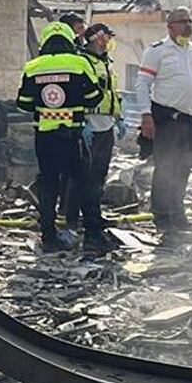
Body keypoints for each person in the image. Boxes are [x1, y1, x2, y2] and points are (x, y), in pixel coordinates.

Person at [18, 21, 108, 254]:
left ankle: (48, 235)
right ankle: (93, 235)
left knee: (49, 184)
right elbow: (94, 97)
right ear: (71, 41)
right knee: (84, 183)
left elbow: (24, 102)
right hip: (73, 135)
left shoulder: (33, 66)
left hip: (46, 139)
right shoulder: (80, 63)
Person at [136, 7, 192, 236]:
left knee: (184, 167)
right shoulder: (158, 51)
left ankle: (178, 214)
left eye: (190, 21)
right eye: (182, 21)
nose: (188, 26)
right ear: (170, 26)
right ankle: (162, 216)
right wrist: (145, 115)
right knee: (166, 168)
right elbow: (142, 84)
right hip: (168, 121)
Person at [75, 22, 122, 241]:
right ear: (98, 38)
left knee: (100, 175)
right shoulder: (83, 61)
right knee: (88, 176)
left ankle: (96, 215)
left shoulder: (106, 62)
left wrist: (119, 118)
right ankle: (89, 222)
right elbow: (79, 92)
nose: (109, 42)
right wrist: (81, 121)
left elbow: (112, 92)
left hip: (106, 125)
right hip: (90, 125)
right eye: (107, 37)